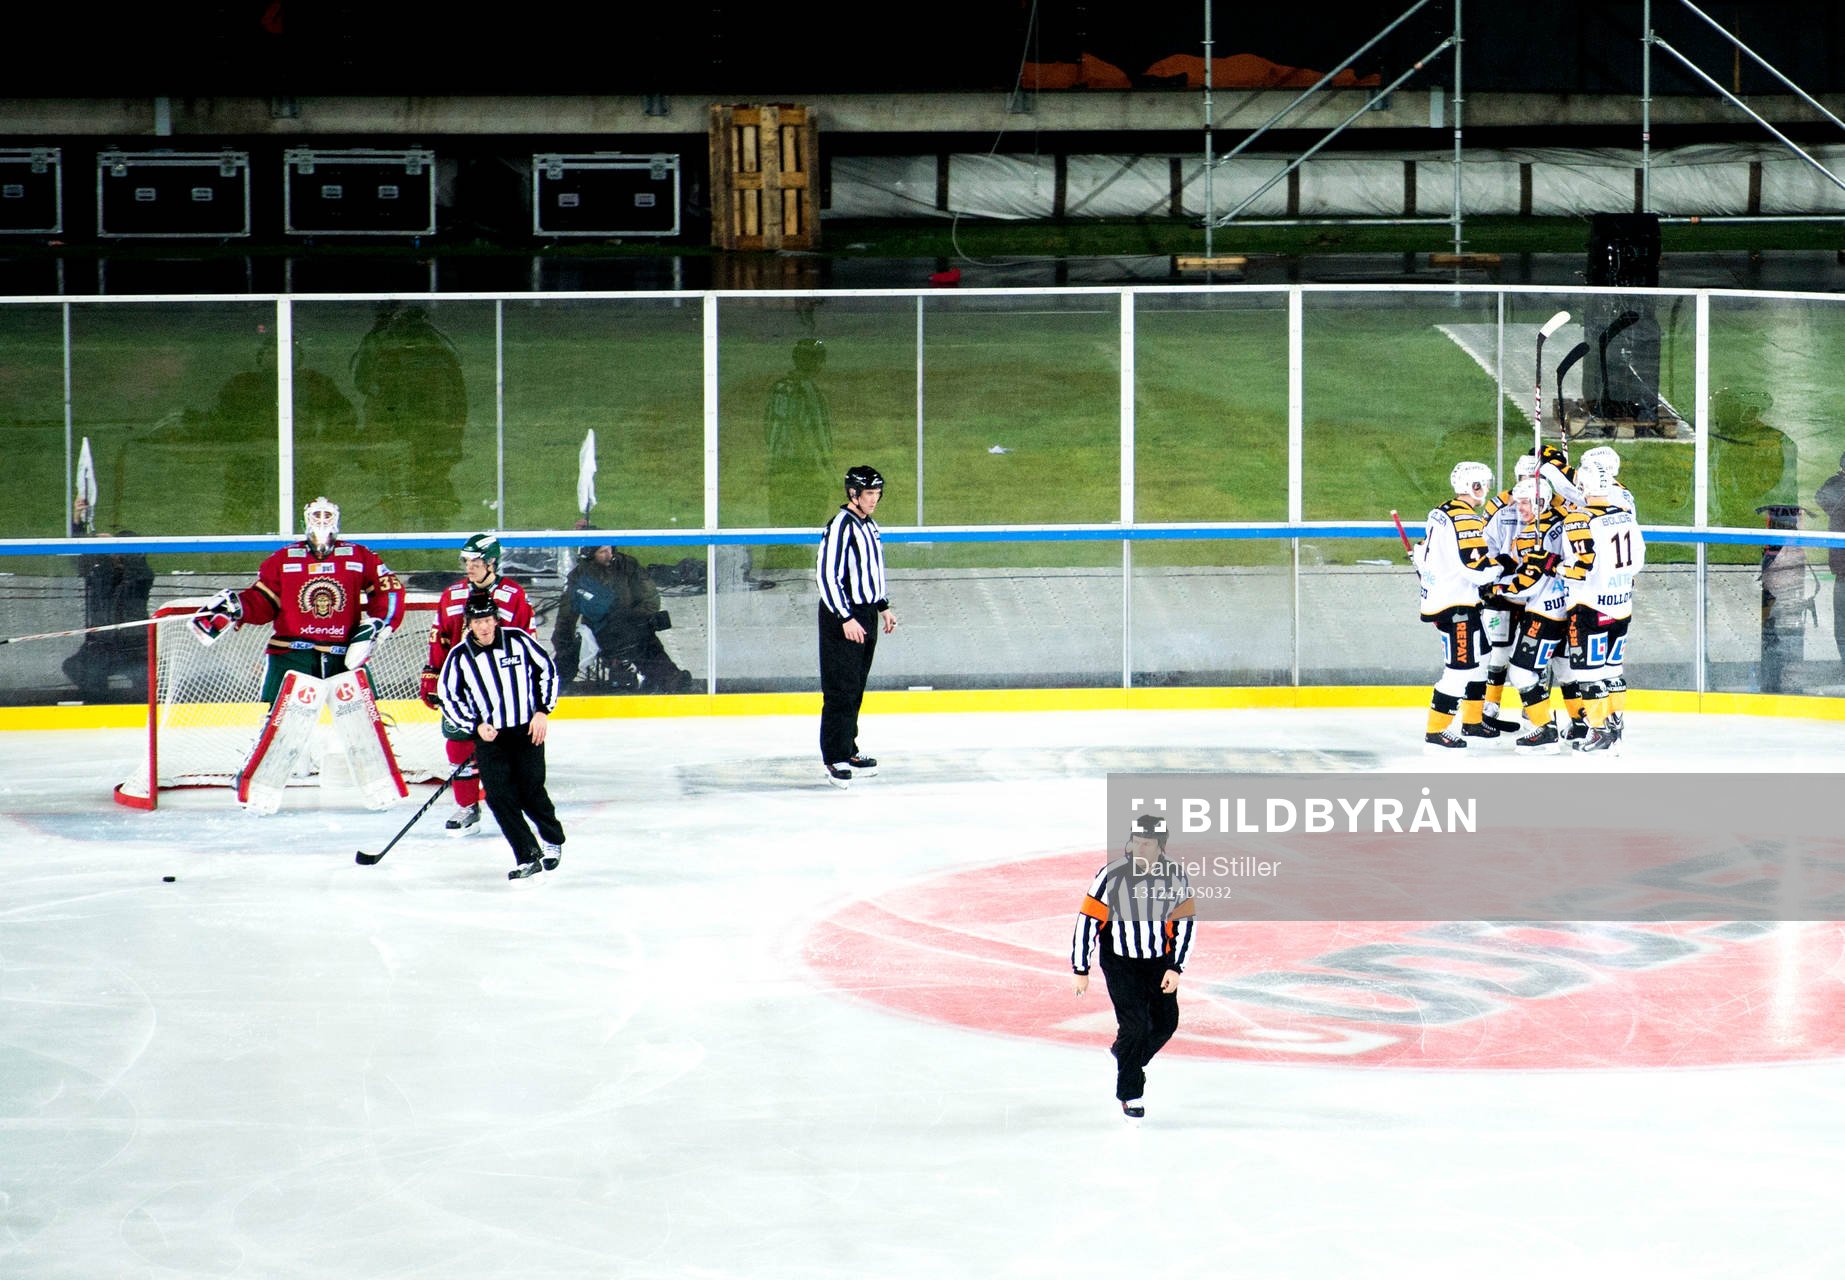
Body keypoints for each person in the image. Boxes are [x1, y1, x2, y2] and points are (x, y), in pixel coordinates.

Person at [190, 496, 405, 708]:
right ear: (305, 520)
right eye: (316, 515)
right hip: (291, 656)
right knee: (276, 723)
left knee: (368, 721)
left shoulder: (360, 556)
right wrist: (238, 607)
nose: (322, 520)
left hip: (344, 655)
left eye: (327, 515)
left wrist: (379, 624)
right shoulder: (282, 559)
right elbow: (263, 602)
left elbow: (389, 590)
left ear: (337, 519)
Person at [1071, 814, 1195, 1121]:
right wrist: (1081, 968)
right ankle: (1130, 1093)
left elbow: (1185, 925)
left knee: (1165, 1024)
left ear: (1160, 846)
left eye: (1147, 843)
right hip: (1120, 963)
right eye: (1136, 841)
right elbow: (1087, 921)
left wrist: (1176, 967)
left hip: (1159, 963)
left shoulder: (1176, 877)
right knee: (1135, 1027)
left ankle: (1124, 1054)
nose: (1140, 848)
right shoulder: (1110, 876)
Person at [436, 588, 566, 880]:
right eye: (477, 621)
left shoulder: (518, 640)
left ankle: (552, 837)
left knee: (530, 791)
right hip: (490, 738)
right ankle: (527, 856)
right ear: (469, 624)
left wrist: (542, 711)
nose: (483, 626)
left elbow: (547, 671)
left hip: (526, 731)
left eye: (487, 620)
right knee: (498, 796)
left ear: (496, 620)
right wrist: (474, 725)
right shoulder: (459, 657)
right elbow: (449, 698)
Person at [420, 533, 534, 836]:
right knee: (458, 745)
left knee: (507, 749)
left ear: (492, 562)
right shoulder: (452, 594)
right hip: (461, 686)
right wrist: (433, 672)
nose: (469, 567)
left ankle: (515, 806)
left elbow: (527, 642)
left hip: (502, 687)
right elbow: (440, 636)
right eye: (466, 561)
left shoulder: (513, 595)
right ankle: (467, 806)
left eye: (476, 561)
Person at [1413, 461, 1509, 751]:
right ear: (1472, 486)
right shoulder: (1466, 519)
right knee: (1459, 669)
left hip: (1456, 600)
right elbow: (1475, 570)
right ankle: (1436, 730)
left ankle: (1472, 720)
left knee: (1482, 656)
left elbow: (1423, 552)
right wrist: (1502, 567)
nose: (1487, 489)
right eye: (1483, 484)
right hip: (1456, 606)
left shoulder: (1441, 511)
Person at [817, 464, 897, 787]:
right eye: (869, 493)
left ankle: (848, 748)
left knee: (856, 686)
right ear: (853, 494)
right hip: (843, 616)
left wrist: (883, 606)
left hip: (865, 614)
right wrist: (845, 617)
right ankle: (834, 757)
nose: (874, 499)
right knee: (840, 688)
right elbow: (827, 576)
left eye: (877, 493)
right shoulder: (841, 526)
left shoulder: (870, 525)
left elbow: (873, 569)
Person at [1563, 457, 1646, 752]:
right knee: (1612, 670)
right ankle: (1616, 727)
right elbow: (1638, 560)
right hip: (1622, 606)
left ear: (1583, 487)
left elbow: (1582, 566)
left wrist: (1558, 568)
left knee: (1589, 673)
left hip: (1590, 607)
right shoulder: (1625, 515)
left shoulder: (1578, 519)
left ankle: (1599, 732)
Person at [551, 538, 692, 693]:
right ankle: (553, 685)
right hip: (599, 629)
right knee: (569, 649)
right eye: (603, 552)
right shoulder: (578, 576)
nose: (609, 555)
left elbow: (650, 598)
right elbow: (566, 616)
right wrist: (562, 642)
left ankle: (670, 679)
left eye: (610, 549)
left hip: (633, 624)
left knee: (645, 641)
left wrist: (633, 617)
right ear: (590, 554)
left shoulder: (628, 565)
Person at [62, 497, 155, 702]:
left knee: (146, 685)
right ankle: (99, 703)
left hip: (134, 646)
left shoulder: (142, 575)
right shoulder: (101, 572)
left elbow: (132, 568)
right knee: (77, 669)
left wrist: (110, 547)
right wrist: (78, 521)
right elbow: (79, 557)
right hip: (102, 646)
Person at [765, 338, 837, 532]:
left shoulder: (779, 387)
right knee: (807, 521)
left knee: (779, 519)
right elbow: (818, 434)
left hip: (778, 465)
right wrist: (830, 472)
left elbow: (768, 427)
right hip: (804, 468)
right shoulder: (809, 391)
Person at [1813, 450, 1845, 664]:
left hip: (1841, 566)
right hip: (1842, 567)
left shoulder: (1835, 486)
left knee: (1842, 622)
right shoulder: (1836, 487)